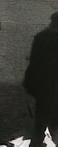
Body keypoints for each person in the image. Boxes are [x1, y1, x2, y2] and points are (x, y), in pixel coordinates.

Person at [24, 11, 58, 147]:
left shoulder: (40, 37)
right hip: (51, 88)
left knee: (40, 125)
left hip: (43, 89)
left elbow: (34, 64)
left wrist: (31, 85)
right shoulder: (42, 38)